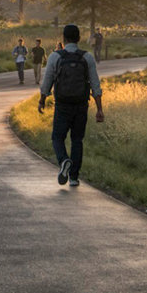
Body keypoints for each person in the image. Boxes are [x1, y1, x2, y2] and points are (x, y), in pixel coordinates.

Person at [36, 24, 103, 186]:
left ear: (64, 39)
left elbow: (47, 83)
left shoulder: (55, 57)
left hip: (62, 104)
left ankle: (64, 160)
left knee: (57, 137)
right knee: (77, 139)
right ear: (79, 39)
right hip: (81, 105)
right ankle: (73, 177)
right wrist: (100, 109)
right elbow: (95, 85)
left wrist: (42, 100)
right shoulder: (87, 57)